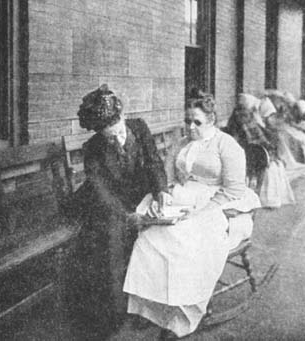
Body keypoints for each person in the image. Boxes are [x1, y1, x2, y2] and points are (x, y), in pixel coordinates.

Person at [123, 92, 261, 338]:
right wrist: (162, 197)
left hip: (216, 204)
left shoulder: (227, 145)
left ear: (212, 119)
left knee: (183, 241)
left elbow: (234, 190)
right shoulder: (181, 142)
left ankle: (181, 311)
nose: (190, 127)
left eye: (197, 122)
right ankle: (154, 308)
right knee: (149, 238)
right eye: (187, 121)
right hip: (180, 199)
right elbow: (166, 177)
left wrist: (201, 212)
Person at [70, 84, 170, 338]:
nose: (115, 141)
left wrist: (161, 192)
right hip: (105, 204)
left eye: (117, 134)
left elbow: (155, 162)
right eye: (108, 138)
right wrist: (128, 217)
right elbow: (100, 191)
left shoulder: (139, 127)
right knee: (113, 242)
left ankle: (153, 304)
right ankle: (118, 314)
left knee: (160, 236)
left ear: (123, 118)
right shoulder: (92, 148)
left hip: (140, 194)